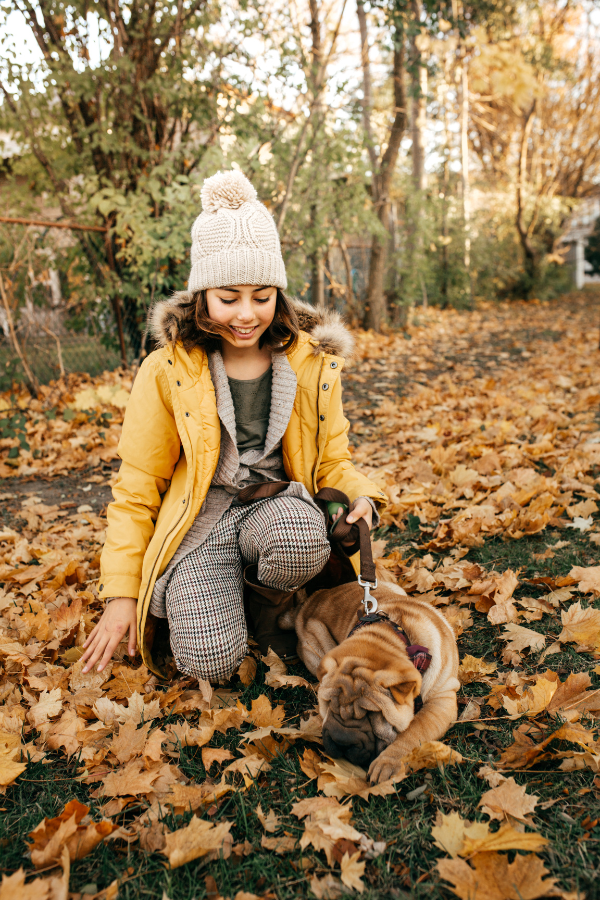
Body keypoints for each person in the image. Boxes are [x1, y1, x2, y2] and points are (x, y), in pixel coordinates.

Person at [80, 170, 387, 681]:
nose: (247, 314)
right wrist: (121, 594)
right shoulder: (167, 371)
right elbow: (137, 487)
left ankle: (268, 607)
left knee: (300, 538)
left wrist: (360, 495)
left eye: (262, 296)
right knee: (210, 663)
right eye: (229, 297)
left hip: (277, 505)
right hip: (201, 526)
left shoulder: (312, 364)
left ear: (279, 294)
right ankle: (216, 596)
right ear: (202, 296)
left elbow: (334, 457)